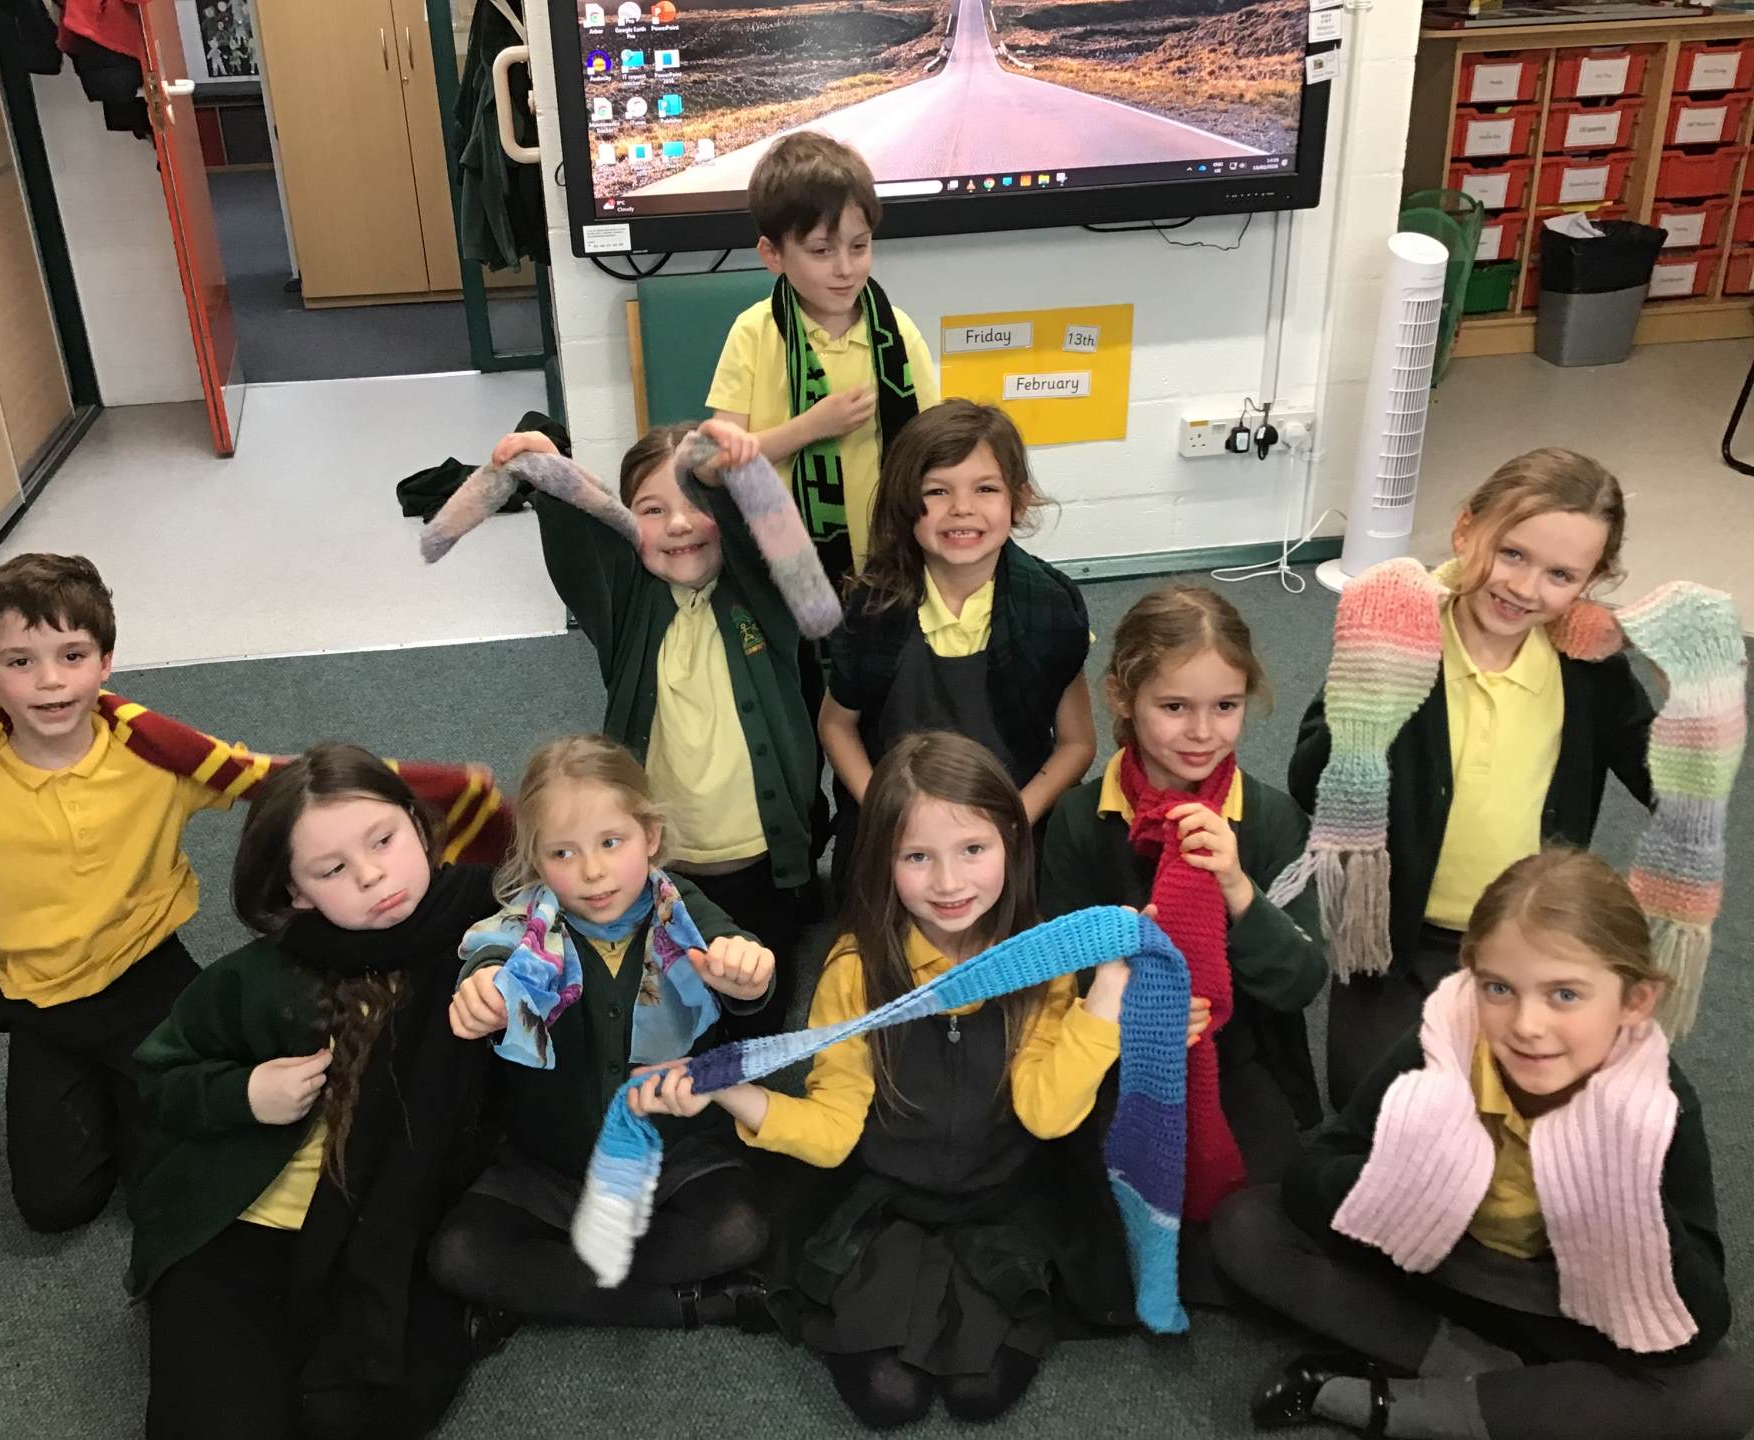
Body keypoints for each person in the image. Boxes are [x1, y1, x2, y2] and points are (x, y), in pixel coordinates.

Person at [0, 553, 509, 1233]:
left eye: (72, 655)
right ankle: (96, 1088)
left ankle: (130, 1088)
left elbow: (275, 783)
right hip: (44, 1007)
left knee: (179, 1170)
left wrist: (443, 791)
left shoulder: (154, 756)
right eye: (19, 662)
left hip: (152, 980)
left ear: (105, 662)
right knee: (55, 1205)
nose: (50, 680)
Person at [636, 732, 1206, 1428]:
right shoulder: (857, 970)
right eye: (917, 857)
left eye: (973, 849)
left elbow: (1048, 1111)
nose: (949, 883)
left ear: (1012, 845)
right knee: (888, 1398)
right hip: (889, 1202)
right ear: (884, 860)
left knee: (980, 1394)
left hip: (1004, 1199)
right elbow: (832, 1131)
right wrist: (724, 1086)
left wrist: (1109, 990)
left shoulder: (1039, 961)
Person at [1211, 848, 1754, 1440]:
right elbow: (1311, 1177)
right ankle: (1516, 1391)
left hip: (1566, 1304)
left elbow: (1701, 1320)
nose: (1526, 1026)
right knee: (1247, 1227)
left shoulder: (1656, 1103)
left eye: (1565, 995)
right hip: (1433, 1264)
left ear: (1634, 1001)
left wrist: (1630, 1200)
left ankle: (1398, 1404)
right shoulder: (1444, 1047)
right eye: (1499, 988)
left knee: (1724, 1394)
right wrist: (1394, 1173)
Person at [132, 745, 506, 1440]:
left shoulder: (490, 931)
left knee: (358, 1416)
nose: (372, 875)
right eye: (332, 870)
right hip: (249, 1222)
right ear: (296, 893)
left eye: (384, 841)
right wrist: (246, 1093)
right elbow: (159, 1078)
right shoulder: (260, 978)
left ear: (419, 825)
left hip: (395, 1217)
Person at [1288, 448, 1653, 1106]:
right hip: (1396, 932)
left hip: (1527, 935)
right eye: (1511, 553)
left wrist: (1689, 676)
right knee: (1373, 1105)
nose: (1525, 588)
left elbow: (1665, 778)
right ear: (1465, 530)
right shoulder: (1398, 635)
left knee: (1521, 1106)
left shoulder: (1588, 668)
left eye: (1561, 574)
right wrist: (1366, 697)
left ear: (1592, 580)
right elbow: (1308, 781)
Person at [428, 734, 777, 1330]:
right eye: (562, 853)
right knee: (457, 1253)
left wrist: (748, 974)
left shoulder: (679, 906)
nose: (592, 871)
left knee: (740, 1228)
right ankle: (684, 1307)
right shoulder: (526, 926)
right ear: (536, 859)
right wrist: (482, 994)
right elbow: (490, 959)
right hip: (548, 1168)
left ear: (651, 837)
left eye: (611, 843)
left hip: (672, 1155)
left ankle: (548, 1289)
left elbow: (739, 960)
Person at [485, 419, 819, 1029]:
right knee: (672, 1014)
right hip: (660, 871)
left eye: (699, 503)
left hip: (764, 864)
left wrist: (737, 477)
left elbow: (776, 545)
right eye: (653, 510)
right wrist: (550, 472)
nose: (679, 524)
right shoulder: (628, 608)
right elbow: (580, 550)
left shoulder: (765, 600)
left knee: (757, 1004)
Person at [1042, 584, 1325, 1231]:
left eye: (1226, 706)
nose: (1202, 732)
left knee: (1258, 1215)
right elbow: (1057, 971)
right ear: (1122, 698)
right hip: (1114, 1052)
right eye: (1174, 706)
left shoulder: (1272, 818)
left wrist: (1238, 887)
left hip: (1235, 1052)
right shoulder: (1081, 818)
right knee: (1097, 1210)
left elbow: (1301, 983)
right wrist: (1135, 1000)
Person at [819, 400, 1094, 876]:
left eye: (985, 488)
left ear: (1018, 500)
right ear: (904, 504)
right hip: (897, 834)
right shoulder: (871, 606)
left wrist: (1015, 818)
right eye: (937, 491)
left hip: (1012, 826)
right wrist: (885, 814)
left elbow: (1078, 743)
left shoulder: (1050, 606)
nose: (962, 508)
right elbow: (835, 726)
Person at [707, 130, 940, 590]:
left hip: (889, 564)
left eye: (859, 246)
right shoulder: (753, 334)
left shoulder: (898, 333)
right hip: (781, 572)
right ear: (773, 254)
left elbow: (935, 449)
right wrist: (812, 427)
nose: (845, 269)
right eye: (821, 250)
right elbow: (719, 463)